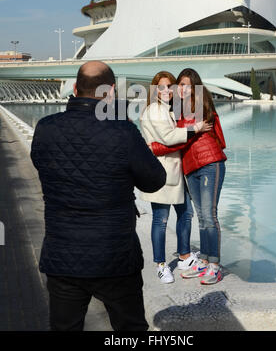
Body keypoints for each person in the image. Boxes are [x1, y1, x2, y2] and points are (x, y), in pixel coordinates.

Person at [30, 60, 166, 331]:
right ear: (111, 91)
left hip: (62, 256)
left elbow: (41, 164)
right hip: (114, 255)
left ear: (75, 88)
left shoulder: (46, 128)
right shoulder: (122, 131)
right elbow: (154, 181)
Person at [151, 68, 227, 285]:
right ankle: (203, 260)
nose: (180, 89)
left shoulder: (199, 107)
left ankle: (214, 265)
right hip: (191, 168)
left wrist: (154, 148)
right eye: (179, 85)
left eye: (185, 85)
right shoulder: (177, 111)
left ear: (194, 87)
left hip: (209, 163)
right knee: (202, 217)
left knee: (209, 216)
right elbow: (175, 138)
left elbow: (180, 140)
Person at [139, 71, 212, 284]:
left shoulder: (170, 110)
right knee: (161, 220)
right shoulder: (155, 110)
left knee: (186, 213)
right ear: (154, 90)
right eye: (160, 87)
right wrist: (196, 128)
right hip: (161, 172)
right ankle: (161, 265)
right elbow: (169, 138)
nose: (166, 91)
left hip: (175, 171)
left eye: (169, 86)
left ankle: (184, 256)